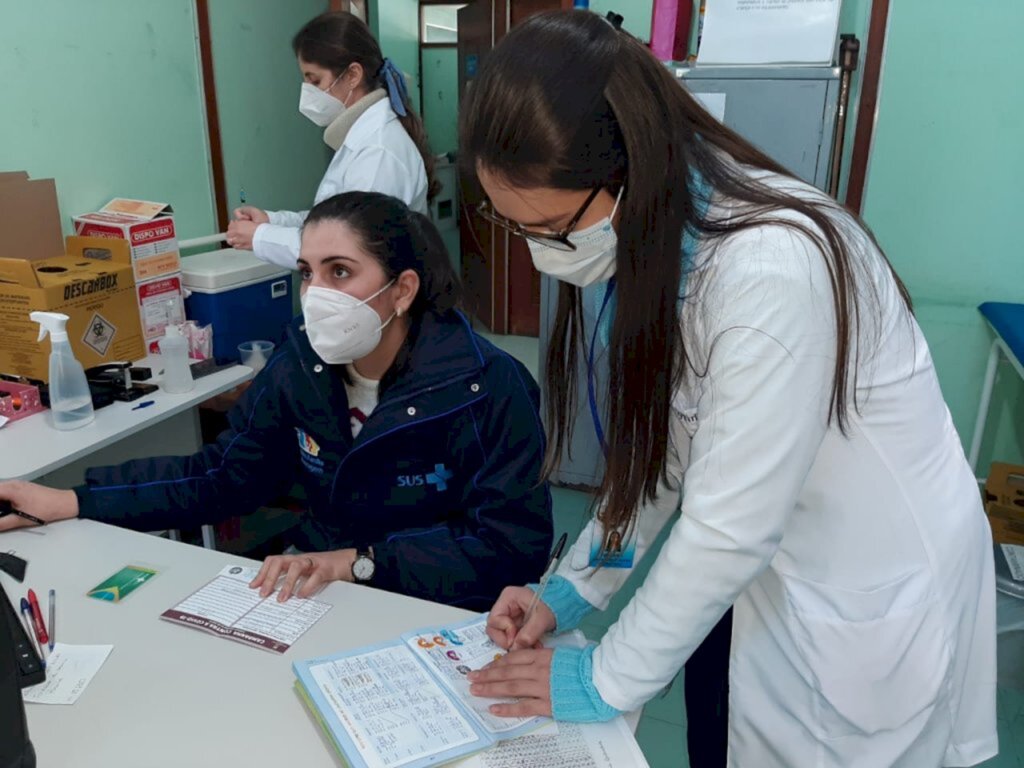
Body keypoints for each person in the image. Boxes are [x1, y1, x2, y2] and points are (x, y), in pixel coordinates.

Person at [459, 11, 996, 768]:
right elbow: (669, 453)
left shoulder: (769, 270)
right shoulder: (667, 246)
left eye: (549, 230)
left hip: (869, 576)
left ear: (627, 174)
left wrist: (600, 678)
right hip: (779, 564)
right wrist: (570, 592)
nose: (543, 256)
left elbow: (726, 528)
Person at [0, 193, 553, 611]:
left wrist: (360, 564)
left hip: (430, 603)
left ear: (402, 290)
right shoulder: (301, 363)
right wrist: (71, 500)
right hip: (321, 585)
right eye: (307, 274)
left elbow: (508, 547)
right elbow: (223, 476)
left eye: (341, 271)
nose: (317, 294)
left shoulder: (486, 387)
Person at [226, 11, 437, 270]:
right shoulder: (360, 141)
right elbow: (330, 222)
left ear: (352, 76)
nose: (308, 94)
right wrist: (271, 221)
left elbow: (344, 245)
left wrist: (260, 237)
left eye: (315, 80)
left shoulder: (378, 152)